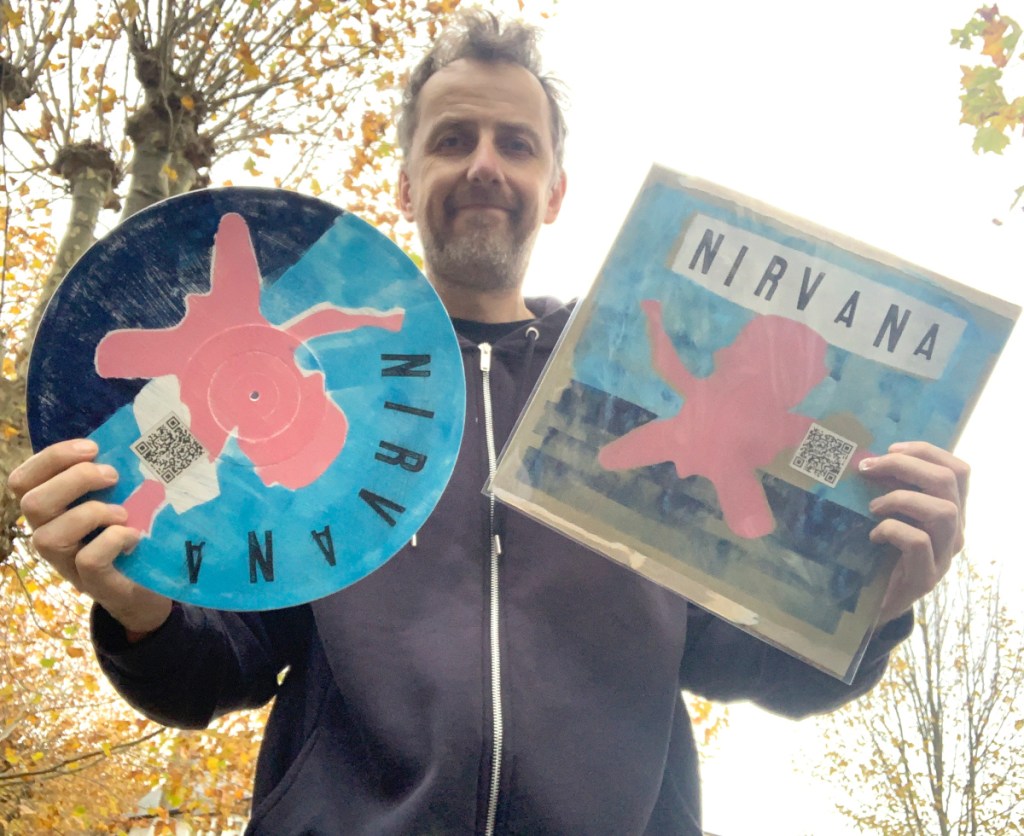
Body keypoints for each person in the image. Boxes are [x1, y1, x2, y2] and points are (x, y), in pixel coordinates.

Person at [8, 11, 969, 835]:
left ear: (556, 189)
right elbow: (226, 657)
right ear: (404, 183)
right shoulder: (313, 382)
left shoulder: (626, 390)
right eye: (451, 139)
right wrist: (139, 607)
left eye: (516, 144)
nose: (482, 165)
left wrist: (874, 601)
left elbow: (743, 653)